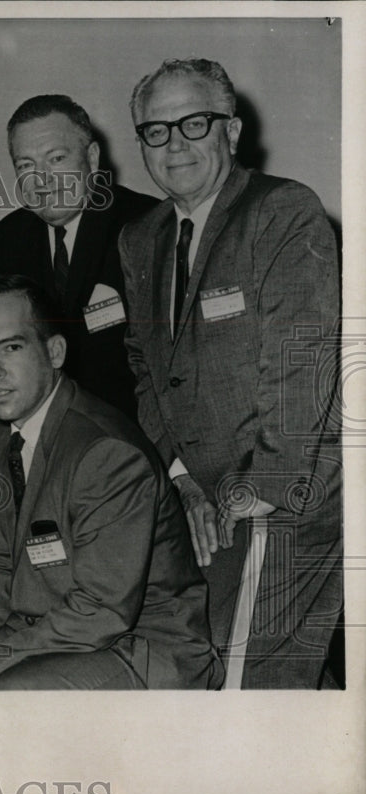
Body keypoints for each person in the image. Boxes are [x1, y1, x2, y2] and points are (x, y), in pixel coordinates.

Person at [0, 276, 221, 691]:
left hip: (138, 648)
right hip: (47, 632)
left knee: (3, 697)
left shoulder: (105, 452)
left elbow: (102, 610)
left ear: (54, 351)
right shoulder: (5, 437)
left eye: (11, 347)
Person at [119, 58, 342, 688]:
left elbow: (306, 364)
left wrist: (248, 494)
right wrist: (185, 481)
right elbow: (146, 367)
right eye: (156, 131)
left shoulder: (282, 211)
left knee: (246, 687)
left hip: (289, 492)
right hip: (208, 501)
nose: (175, 144)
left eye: (195, 123)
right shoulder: (142, 239)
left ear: (233, 130)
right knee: (209, 671)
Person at [0, 94, 157, 420]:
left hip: (133, 430)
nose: (41, 180)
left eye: (56, 159)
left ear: (92, 159)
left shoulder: (145, 223)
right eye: (26, 166)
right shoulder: (10, 237)